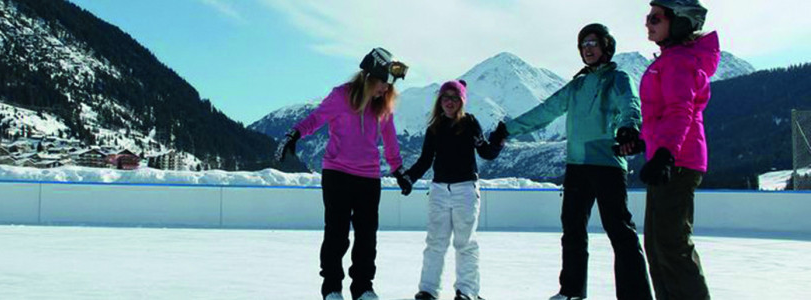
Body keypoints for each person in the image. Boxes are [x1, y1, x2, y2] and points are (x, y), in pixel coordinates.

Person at [494, 24, 652, 300]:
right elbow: (547, 110)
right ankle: (572, 291)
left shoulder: (618, 78)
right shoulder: (577, 84)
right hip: (576, 165)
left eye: (593, 42)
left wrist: (629, 127)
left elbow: (630, 105)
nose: (587, 48)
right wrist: (509, 129)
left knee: (619, 230)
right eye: (583, 45)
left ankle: (635, 295)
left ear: (606, 47)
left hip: (607, 164)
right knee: (573, 229)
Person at [275, 47, 412, 300]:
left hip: (369, 178)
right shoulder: (341, 96)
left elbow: (390, 139)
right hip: (337, 173)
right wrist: (294, 133)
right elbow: (316, 119)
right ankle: (332, 288)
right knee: (336, 233)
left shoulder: (382, 106)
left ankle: (362, 288)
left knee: (367, 236)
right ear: (370, 75)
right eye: (384, 82)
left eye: (390, 85)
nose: (386, 89)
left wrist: (398, 169)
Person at [638, 1, 719, 299]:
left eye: (656, 18)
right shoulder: (670, 59)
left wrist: (665, 153)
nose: (648, 23)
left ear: (681, 22)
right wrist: (643, 139)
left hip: (679, 161)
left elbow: (680, 110)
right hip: (670, 158)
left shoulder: (678, 61)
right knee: (658, 246)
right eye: (648, 17)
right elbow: (662, 115)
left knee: (671, 245)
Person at [396, 80, 503, 300]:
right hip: (439, 191)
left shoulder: (470, 123)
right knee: (435, 241)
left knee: (465, 243)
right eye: (446, 97)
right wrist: (409, 178)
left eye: (455, 98)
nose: (449, 102)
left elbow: (485, 152)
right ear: (439, 101)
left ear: (462, 101)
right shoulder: (434, 128)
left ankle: (466, 291)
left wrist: (498, 140)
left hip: (465, 189)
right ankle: (428, 290)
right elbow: (425, 160)